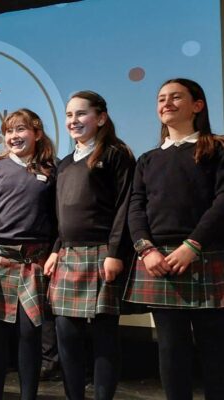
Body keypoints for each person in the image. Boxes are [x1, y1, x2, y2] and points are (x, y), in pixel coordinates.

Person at [124, 78, 224, 399]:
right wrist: (145, 249)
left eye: (176, 97)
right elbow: (135, 208)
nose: (166, 103)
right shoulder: (148, 159)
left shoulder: (217, 148)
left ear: (197, 105)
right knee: (170, 348)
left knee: (215, 348)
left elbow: (223, 202)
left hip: (206, 254)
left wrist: (193, 245)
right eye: (161, 98)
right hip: (159, 261)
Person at [44, 91, 135, 400]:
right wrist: (56, 249)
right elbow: (60, 215)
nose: (74, 120)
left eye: (81, 114)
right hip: (68, 254)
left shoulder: (115, 154)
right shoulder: (65, 163)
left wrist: (114, 253)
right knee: (66, 334)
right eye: (69, 115)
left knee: (104, 336)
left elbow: (125, 206)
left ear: (101, 117)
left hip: (101, 253)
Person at [0, 109, 57, 400]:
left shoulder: (51, 170)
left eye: (21, 130)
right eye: (9, 131)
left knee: (29, 334)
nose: (14, 136)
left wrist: (55, 251)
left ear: (36, 133)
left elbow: (58, 218)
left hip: (33, 263)